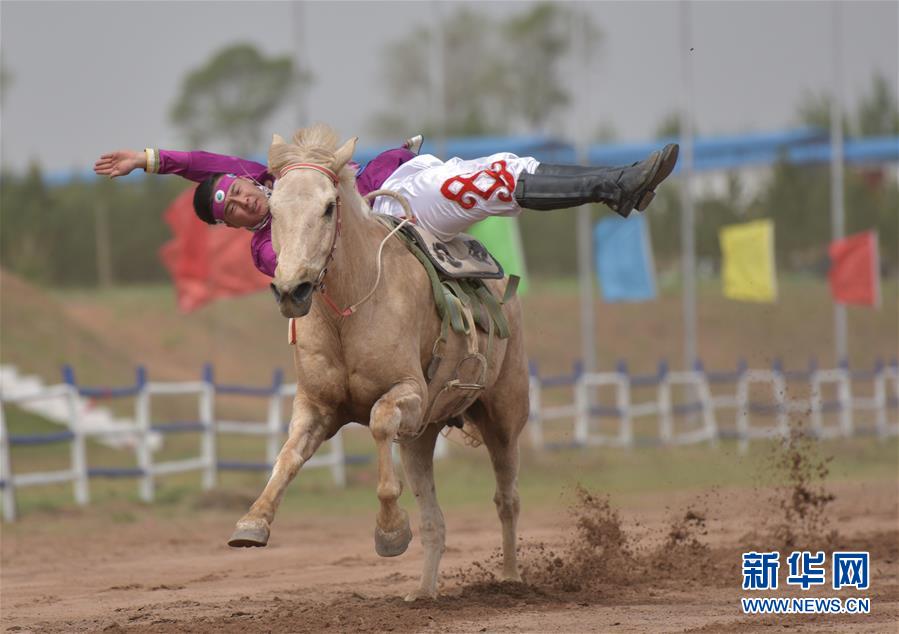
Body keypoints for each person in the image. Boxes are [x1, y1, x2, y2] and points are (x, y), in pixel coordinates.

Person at [94, 135, 677, 277]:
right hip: (394, 235)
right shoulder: (270, 246)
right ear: (234, 224)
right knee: (476, 185)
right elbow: (295, 274)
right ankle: (618, 188)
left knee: (500, 168)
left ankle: (618, 185)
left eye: (236, 188)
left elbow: (199, 160)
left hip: (400, 185)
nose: (243, 198)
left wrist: (147, 159)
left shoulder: (271, 173)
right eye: (234, 208)